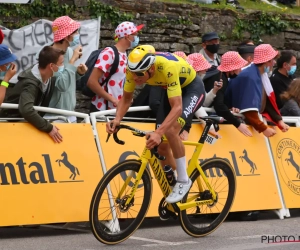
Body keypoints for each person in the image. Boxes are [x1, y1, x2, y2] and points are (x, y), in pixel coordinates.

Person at [106, 45, 206, 203]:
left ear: (151, 69)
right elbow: (126, 99)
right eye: (133, 73)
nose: (136, 78)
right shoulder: (132, 70)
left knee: (171, 131)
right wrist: (117, 119)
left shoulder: (167, 67)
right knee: (161, 147)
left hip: (191, 89)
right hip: (169, 89)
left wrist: (159, 132)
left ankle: (184, 180)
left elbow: (178, 107)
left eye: (140, 74)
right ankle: (174, 182)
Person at [1, 46, 65, 143]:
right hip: (12, 126)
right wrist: (48, 127)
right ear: (51, 66)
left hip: (27, 126)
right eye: (61, 63)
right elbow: (26, 109)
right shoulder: (30, 83)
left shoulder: (50, 77)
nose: (63, 66)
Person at [225, 44, 290, 137]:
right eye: (272, 60)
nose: (274, 63)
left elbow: (265, 101)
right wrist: (264, 128)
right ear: (266, 62)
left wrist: (279, 121)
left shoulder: (257, 74)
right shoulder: (250, 76)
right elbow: (248, 109)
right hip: (235, 125)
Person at [38, 16, 87, 123]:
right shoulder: (50, 56)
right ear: (66, 36)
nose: (77, 34)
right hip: (54, 117)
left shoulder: (69, 51)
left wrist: (78, 73)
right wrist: (73, 60)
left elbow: (67, 78)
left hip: (70, 113)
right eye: (75, 32)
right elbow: (61, 85)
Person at [88, 21, 144, 112]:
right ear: (127, 36)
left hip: (116, 109)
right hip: (102, 109)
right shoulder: (109, 53)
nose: (137, 37)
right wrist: (114, 100)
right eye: (135, 34)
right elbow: (92, 82)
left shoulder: (124, 54)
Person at [203, 51, 253, 137]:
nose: (241, 70)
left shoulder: (220, 75)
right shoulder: (220, 79)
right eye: (239, 67)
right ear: (232, 68)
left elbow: (219, 102)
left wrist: (229, 108)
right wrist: (238, 124)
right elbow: (219, 106)